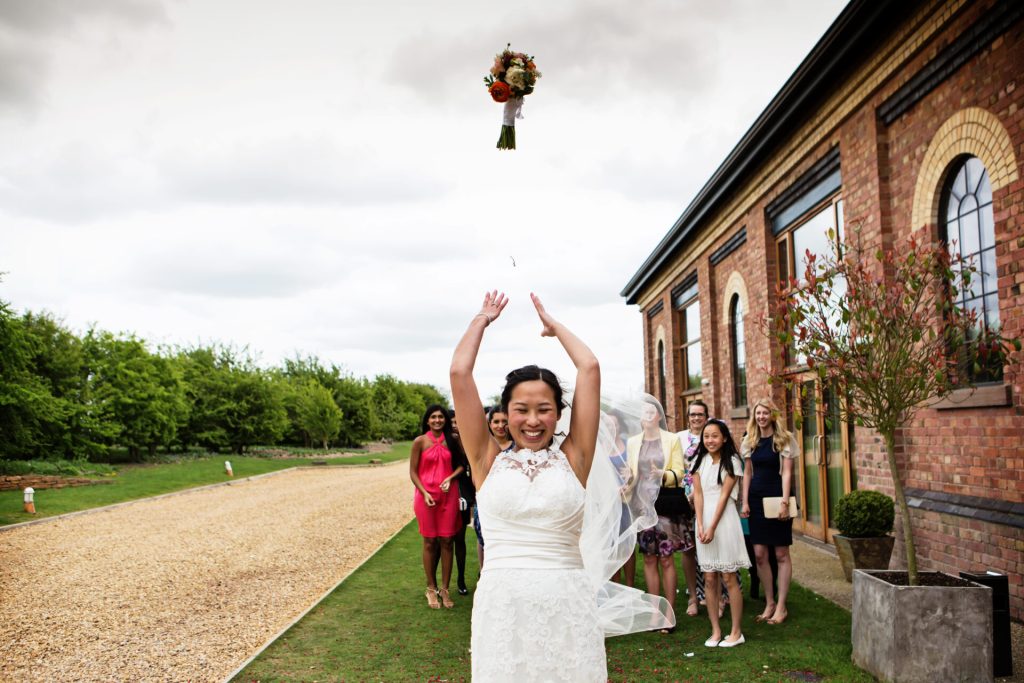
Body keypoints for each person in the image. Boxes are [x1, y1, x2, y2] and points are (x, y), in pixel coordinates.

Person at [450, 290, 671, 682]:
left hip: (567, 602)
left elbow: (589, 367)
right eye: (521, 409)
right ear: (505, 413)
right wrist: (481, 320)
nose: (532, 420)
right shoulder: (486, 461)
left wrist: (555, 328)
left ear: (558, 414)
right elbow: (459, 374)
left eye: (544, 410)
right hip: (503, 606)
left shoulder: (575, 457)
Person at [627, 399, 690, 633]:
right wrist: (627, 483)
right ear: (640, 418)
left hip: (664, 505)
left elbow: (680, 472)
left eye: (652, 411)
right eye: (644, 412)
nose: (648, 415)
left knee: (665, 559)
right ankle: (655, 615)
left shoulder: (671, 439)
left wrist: (662, 473)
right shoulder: (633, 442)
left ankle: (669, 614)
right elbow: (633, 474)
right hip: (642, 506)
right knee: (649, 559)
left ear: (658, 416)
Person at [692, 418, 750, 648]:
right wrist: (700, 524)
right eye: (706, 436)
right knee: (708, 577)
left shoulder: (733, 462)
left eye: (715, 436)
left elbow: (725, 496)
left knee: (728, 575)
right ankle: (715, 631)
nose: (710, 440)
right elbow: (698, 495)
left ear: (724, 437)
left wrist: (712, 527)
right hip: (704, 521)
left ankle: (736, 632)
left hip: (724, 521)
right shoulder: (699, 462)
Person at [741, 397, 797, 625]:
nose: (761, 417)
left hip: (777, 498)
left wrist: (784, 502)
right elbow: (747, 473)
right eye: (758, 413)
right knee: (760, 554)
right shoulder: (749, 440)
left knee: (781, 554)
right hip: (755, 499)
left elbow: (786, 473)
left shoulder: (784, 439)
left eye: (765, 413)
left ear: (772, 415)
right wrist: (744, 502)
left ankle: (781, 606)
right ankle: (770, 602)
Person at [409, 405, 464, 609]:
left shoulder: (453, 439)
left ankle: (445, 589)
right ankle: (431, 588)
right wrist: (423, 492)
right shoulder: (420, 441)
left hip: (448, 496)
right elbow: (413, 472)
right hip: (426, 497)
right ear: (427, 420)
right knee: (430, 541)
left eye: (441, 417)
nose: (438, 420)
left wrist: (450, 478)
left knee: (447, 541)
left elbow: (462, 465)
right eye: (433, 417)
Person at [674, 399, 708, 615]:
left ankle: (714, 594)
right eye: (693, 414)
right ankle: (693, 596)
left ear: (706, 416)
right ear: (688, 417)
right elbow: (675, 467)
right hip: (686, 500)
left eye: (700, 414)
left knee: (709, 545)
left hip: (709, 497)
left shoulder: (713, 434)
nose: (696, 418)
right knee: (689, 549)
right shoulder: (678, 438)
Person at [449, 411, 473, 595]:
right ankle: (441, 584)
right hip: (446, 492)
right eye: (452, 422)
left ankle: (461, 579)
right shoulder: (444, 443)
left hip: (463, 493)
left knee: (460, 539)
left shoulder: (468, 442)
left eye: (458, 421)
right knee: (443, 541)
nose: (456, 425)